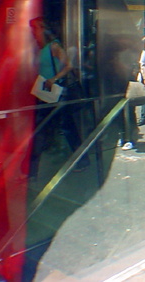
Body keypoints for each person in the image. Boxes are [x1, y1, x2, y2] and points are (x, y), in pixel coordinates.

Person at [28, 17, 88, 180]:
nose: (33, 32)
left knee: (66, 128)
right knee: (43, 129)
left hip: (57, 92)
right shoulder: (40, 47)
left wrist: (53, 79)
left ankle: (82, 160)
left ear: (43, 29)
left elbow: (68, 65)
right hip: (44, 93)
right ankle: (31, 171)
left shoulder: (53, 46)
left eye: (35, 28)